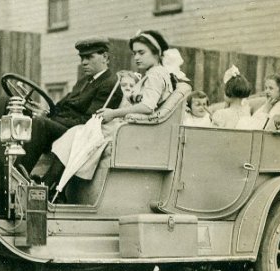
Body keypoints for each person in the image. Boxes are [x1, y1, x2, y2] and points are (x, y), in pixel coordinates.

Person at [42, 30, 179, 196]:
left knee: (79, 134)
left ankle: (49, 185)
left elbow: (147, 107)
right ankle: (52, 185)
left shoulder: (156, 75)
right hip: (134, 129)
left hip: (137, 132)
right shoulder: (151, 75)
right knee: (77, 134)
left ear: (156, 53)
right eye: (135, 53)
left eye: (142, 53)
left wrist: (114, 113)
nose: (136, 58)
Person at [0, 37, 123, 172]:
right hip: (60, 126)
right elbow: (60, 107)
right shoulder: (84, 81)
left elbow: (88, 121)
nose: (83, 62)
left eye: (89, 57)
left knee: (40, 124)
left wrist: (48, 119)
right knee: (8, 102)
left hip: (76, 134)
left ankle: (15, 173)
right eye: (82, 57)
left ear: (105, 57)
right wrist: (42, 111)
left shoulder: (110, 84)